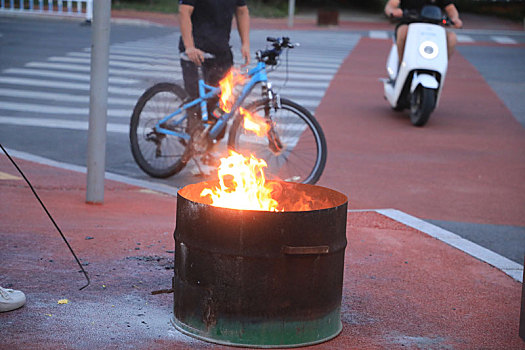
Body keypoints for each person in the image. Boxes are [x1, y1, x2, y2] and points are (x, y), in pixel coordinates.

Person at [178, 0, 250, 138]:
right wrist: (189, 47)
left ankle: (209, 148)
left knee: (221, 108)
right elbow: (184, 11)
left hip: (221, 54)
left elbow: (242, 11)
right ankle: (191, 142)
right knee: (197, 105)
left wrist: (245, 44)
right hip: (196, 54)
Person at [384, 0, 463, 61]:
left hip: (433, 27)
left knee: (452, 37)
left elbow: (451, 8)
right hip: (409, 24)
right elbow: (390, 5)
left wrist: (455, 18)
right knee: (403, 32)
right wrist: (393, 11)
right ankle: (403, 64)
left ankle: (440, 65)